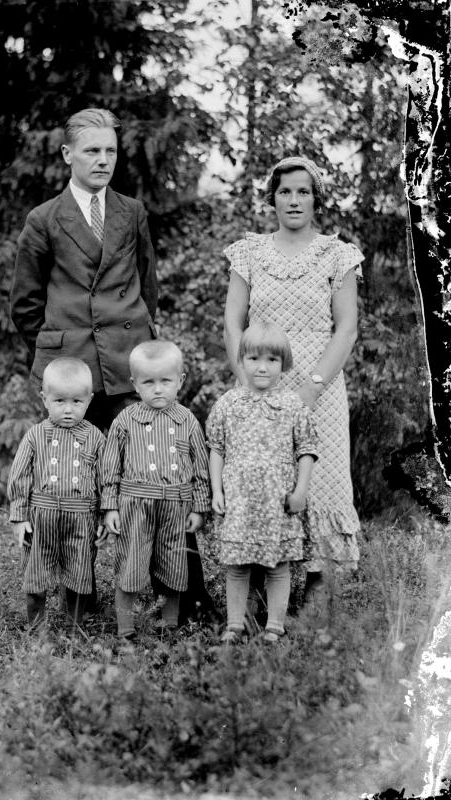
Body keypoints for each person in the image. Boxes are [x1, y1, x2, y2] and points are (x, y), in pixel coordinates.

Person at [223, 156, 363, 604]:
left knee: (321, 480)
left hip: (320, 387)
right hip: (261, 383)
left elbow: (346, 329)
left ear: (316, 199)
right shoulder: (248, 253)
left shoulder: (338, 255)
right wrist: (248, 382)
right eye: (285, 191)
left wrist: (311, 389)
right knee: (262, 478)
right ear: (273, 199)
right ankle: (260, 583)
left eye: (303, 191)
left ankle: (317, 590)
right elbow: (232, 323)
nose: (294, 200)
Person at [10, 107, 158, 432]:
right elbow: (24, 306)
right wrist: (58, 347)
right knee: (71, 462)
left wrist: (135, 337)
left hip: (128, 366)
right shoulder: (43, 220)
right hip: (69, 376)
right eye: (92, 151)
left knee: (137, 457)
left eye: (110, 151)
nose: (103, 161)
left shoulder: (132, 212)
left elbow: (148, 287)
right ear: (68, 154)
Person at [207, 323, 317, 643]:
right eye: (254, 358)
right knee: (237, 566)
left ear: (284, 364)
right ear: (242, 360)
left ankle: (274, 626)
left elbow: (307, 450)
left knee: (277, 566)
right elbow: (217, 448)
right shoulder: (229, 403)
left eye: (272, 360)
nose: (262, 367)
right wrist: (217, 490)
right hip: (239, 500)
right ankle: (235, 625)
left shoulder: (293, 405)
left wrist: (300, 491)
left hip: (276, 502)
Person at [99, 340, 211, 640]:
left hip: (175, 506)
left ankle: (169, 625)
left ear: (180, 381)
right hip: (135, 504)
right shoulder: (126, 420)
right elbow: (110, 466)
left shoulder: (187, 420)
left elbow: (200, 468)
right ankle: (125, 630)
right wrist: (110, 506)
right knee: (131, 566)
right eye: (148, 382)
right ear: (134, 384)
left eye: (166, 381)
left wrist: (200, 507)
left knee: (174, 566)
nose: (158, 389)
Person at [7, 357, 104, 628]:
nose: (68, 409)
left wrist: (105, 515)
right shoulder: (35, 435)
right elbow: (20, 475)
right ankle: (36, 628)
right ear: (44, 399)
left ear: (89, 400)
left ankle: (75, 627)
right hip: (42, 517)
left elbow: (106, 479)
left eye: (77, 401)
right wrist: (19, 516)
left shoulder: (96, 437)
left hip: (80, 519)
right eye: (60, 401)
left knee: (79, 572)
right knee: (36, 574)